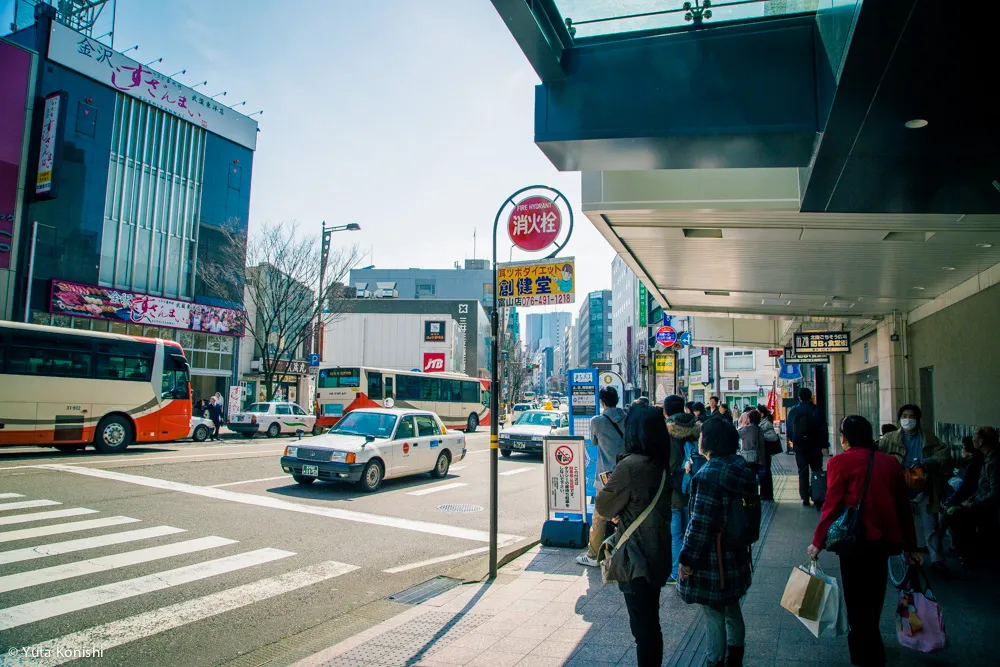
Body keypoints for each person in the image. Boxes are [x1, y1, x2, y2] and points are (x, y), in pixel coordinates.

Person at [809, 415, 919, 667]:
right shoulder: (890, 463)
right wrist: (910, 547)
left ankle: (862, 650)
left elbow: (832, 505)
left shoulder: (840, 462)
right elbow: (903, 508)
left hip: (854, 542)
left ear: (845, 437)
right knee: (875, 594)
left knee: (855, 596)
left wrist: (817, 542)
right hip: (883, 541)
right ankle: (872, 642)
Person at [595, 405, 672, 667]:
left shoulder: (630, 465)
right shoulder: (662, 463)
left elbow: (604, 506)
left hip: (635, 556)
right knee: (652, 622)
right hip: (659, 550)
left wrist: (618, 510)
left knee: (643, 629)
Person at [678, 419, 756, 667]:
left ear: (709, 441)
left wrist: (687, 560)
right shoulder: (741, 465)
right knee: (732, 607)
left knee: (713, 613)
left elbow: (699, 524)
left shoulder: (708, 475)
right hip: (737, 550)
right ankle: (735, 657)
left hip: (714, 557)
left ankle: (714, 661)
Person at [878, 404, 950, 574]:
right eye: (904, 415)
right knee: (900, 521)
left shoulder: (929, 438)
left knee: (930, 522)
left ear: (917, 419)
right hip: (898, 483)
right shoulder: (889, 438)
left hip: (922, 481)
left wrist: (928, 462)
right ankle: (905, 557)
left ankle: (937, 558)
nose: (907, 419)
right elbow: (879, 456)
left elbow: (943, 454)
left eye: (911, 416)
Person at [578, 387, 628, 568]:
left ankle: (593, 555)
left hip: (606, 475)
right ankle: (624, 551)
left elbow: (594, 442)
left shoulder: (597, 421)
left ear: (602, 402)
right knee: (627, 512)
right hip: (627, 472)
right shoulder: (627, 417)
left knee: (599, 515)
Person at [663, 394, 702, 584]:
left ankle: (676, 573)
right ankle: (692, 569)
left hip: (675, 489)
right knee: (691, 529)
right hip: (696, 485)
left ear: (665, 411)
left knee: (676, 532)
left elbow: (668, 463)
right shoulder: (697, 428)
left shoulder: (666, 431)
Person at [945, 426, 998, 565]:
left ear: (981, 442)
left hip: (989, 506)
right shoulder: (987, 457)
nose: (972, 439)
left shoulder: (993, 461)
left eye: (975, 436)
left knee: (958, 517)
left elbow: (994, 493)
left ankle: (973, 554)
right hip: (981, 500)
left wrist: (973, 503)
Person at [786, 388, 827, 507]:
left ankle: (804, 497)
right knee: (816, 470)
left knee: (802, 471)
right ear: (811, 397)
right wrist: (824, 445)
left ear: (799, 397)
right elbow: (823, 429)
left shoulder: (794, 411)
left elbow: (789, 428)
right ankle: (817, 494)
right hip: (815, 446)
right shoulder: (817, 410)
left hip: (800, 447)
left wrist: (793, 441)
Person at [756, 406, 780, 500]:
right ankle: (765, 493)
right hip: (764, 451)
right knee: (765, 473)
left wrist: (761, 436)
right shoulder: (763, 422)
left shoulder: (766, 424)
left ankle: (767, 494)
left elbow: (773, 437)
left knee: (766, 473)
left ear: (762, 414)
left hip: (765, 451)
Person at [737, 410, 764, 480]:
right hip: (758, 457)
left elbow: (736, 434)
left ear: (750, 418)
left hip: (748, 457)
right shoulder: (759, 429)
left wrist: (745, 424)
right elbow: (761, 444)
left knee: (748, 477)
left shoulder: (747, 428)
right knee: (755, 477)